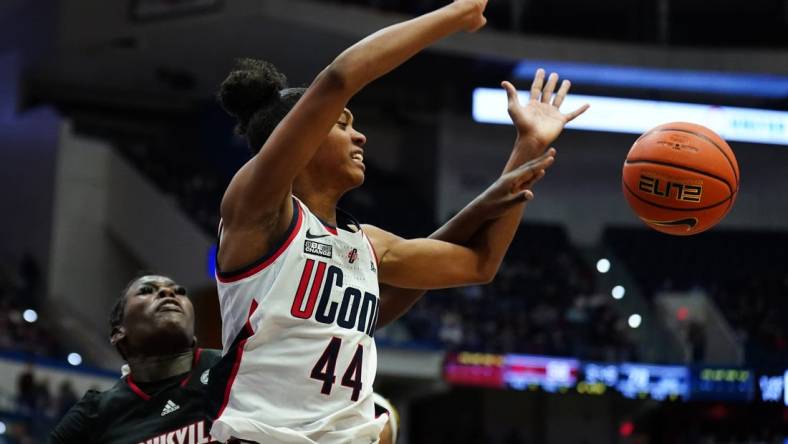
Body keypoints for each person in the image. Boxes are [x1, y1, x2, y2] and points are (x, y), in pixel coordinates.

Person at [213, 0, 587, 442]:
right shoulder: (256, 210)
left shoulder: (367, 244)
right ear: (302, 138)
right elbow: (338, 79)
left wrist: (528, 147)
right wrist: (457, 13)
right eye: (342, 123)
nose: (359, 135)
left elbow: (478, 263)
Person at [49, 275, 220, 444]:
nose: (168, 292)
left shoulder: (229, 365)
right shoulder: (96, 413)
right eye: (146, 290)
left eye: (179, 291)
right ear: (118, 334)